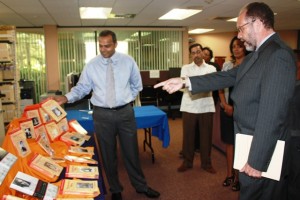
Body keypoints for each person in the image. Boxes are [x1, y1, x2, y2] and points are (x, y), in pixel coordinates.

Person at [154, 2, 296, 200]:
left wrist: (257, 160)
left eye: (240, 28)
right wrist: (185, 81)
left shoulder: (277, 55)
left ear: (256, 23)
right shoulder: (259, 54)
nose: (238, 35)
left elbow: (272, 114)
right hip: (250, 142)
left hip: (262, 151)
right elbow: (226, 77)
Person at [53, 30, 160, 200]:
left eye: (107, 46)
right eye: (101, 46)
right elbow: (82, 88)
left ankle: (140, 186)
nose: (103, 49)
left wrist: (125, 100)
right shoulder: (92, 65)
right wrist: (66, 97)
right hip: (102, 114)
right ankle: (115, 189)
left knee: (131, 152)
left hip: (125, 112)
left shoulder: (128, 61)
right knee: (108, 154)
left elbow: (137, 85)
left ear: (115, 44)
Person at [177, 43, 217, 174]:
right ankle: (187, 162)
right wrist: (200, 85)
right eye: (193, 53)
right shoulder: (186, 68)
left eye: (198, 51)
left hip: (206, 107)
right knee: (188, 136)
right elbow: (184, 86)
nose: (196, 54)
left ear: (203, 52)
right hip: (189, 106)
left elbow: (211, 86)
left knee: (206, 136)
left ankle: (206, 163)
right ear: (190, 55)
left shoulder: (211, 69)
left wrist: (194, 85)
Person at [219, 36, 249, 191]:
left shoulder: (251, 64)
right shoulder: (227, 65)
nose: (236, 49)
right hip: (227, 110)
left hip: (244, 112)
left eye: (239, 46)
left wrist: (236, 108)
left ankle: (239, 178)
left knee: (242, 145)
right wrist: (225, 105)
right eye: (234, 46)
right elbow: (220, 87)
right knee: (230, 144)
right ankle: (230, 174)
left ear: (245, 47)